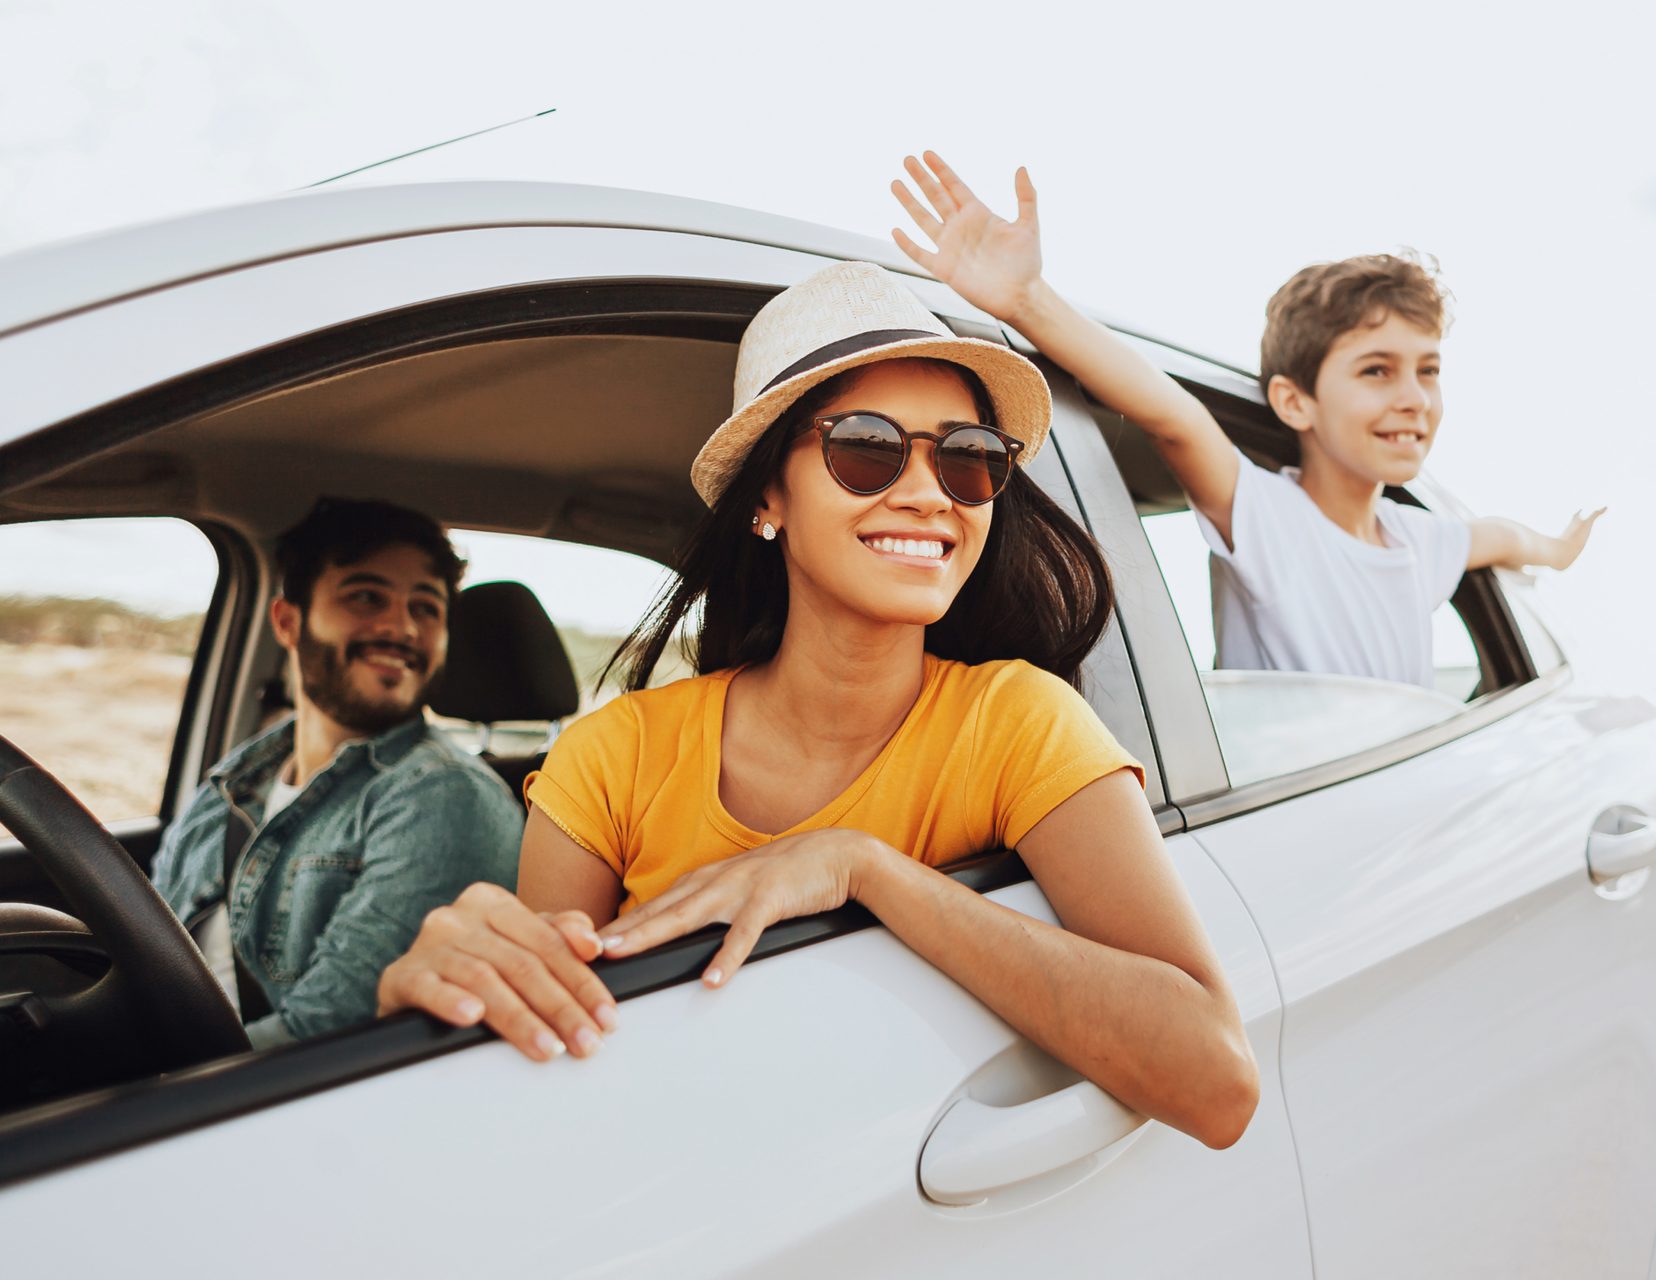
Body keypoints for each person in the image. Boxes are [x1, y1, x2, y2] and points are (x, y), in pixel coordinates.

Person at [376, 261, 1260, 1149]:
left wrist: (865, 869)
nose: (926, 492)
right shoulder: (614, 758)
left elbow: (1216, 1082)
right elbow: (532, 1066)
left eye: (968, 457)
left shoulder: (1018, 723)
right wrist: (440, 998)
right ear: (767, 496)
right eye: (868, 448)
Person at [888, 151, 1605, 688]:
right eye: (1377, 370)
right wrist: (1025, 299)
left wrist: (1557, 548)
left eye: (1428, 370)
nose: (1414, 396)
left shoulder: (1423, 539)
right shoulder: (1270, 519)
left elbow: (1501, 536)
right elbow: (1175, 418)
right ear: (1296, 403)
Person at [151, 498, 523, 1047]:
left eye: (426, 607)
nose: (401, 627)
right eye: (366, 597)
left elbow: (326, 1040)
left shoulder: (442, 796)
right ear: (288, 622)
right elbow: (144, 940)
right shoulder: (236, 778)